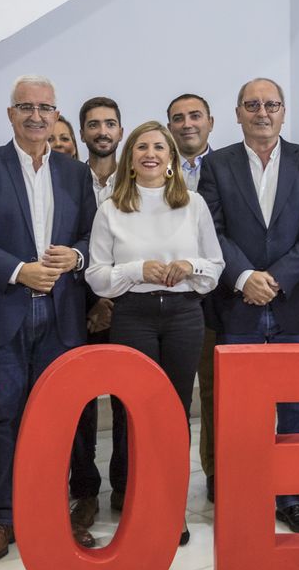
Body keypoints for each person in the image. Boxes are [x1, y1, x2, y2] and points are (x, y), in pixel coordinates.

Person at [0, 75, 97, 561]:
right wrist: (19, 271)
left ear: (57, 115)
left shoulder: (75, 174)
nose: (37, 116)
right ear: (10, 113)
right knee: (4, 419)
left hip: (63, 315)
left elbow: (92, 238)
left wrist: (73, 259)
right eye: (26, 107)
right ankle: (3, 517)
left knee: (57, 420)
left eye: (46, 108)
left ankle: (51, 514)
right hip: (4, 312)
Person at [198, 77, 299, 533]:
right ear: (237, 113)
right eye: (251, 105)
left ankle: (293, 498)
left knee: (296, 405)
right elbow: (212, 229)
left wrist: (277, 278)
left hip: (296, 303)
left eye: (271, 104)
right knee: (242, 410)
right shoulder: (217, 165)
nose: (262, 112)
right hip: (238, 304)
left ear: (283, 111)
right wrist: (243, 277)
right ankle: (246, 492)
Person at [86, 120, 224, 546]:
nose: (151, 153)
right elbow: (95, 276)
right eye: (142, 146)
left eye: (159, 147)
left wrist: (190, 267)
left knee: (175, 413)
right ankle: (135, 502)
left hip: (184, 315)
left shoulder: (193, 204)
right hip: (133, 316)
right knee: (133, 413)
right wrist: (136, 271)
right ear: (130, 158)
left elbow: (215, 268)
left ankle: (171, 507)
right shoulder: (110, 208)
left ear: (171, 158)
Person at [70, 96, 130, 537]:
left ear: (120, 131)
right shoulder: (68, 178)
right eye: (93, 124)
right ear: (83, 132)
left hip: (128, 309)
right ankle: (85, 490)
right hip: (77, 310)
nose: (102, 131)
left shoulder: (137, 179)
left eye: (110, 123)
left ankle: (126, 488)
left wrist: (111, 300)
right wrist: (92, 301)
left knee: (129, 405)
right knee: (80, 406)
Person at [168, 92, 221, 501]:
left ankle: (216, 472)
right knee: (173, 397)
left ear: (210, 122)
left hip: (219, 298)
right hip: (169, 302)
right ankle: (171, 480)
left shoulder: (228, 166)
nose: (187, 123)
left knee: (217, 395)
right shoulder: (153, 168)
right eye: (178, 118)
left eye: (195, 116)